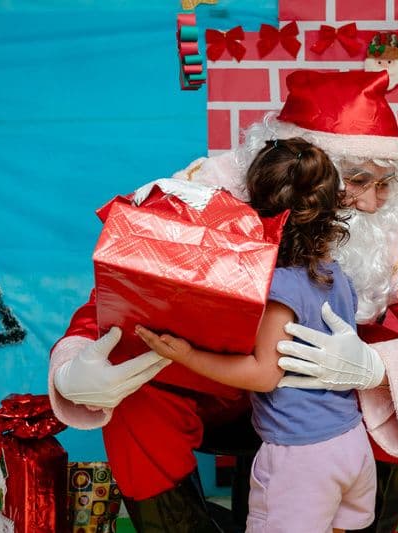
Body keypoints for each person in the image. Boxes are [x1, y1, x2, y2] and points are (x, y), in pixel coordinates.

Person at [48, 69, 398, 533]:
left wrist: (375, 367)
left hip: (319, 410)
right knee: (134, 391)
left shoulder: (391, 232)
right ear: (309, 169)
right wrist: (73, 368)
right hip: (212, 389)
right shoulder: (203, 194)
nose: (375, 204)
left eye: (385, 184)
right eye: (359, 181)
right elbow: (121, 295)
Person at [135, 137, 375, 532]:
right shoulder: (337, 277)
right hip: (351, 442)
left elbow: (265, 374)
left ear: (256, 209)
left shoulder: (280, 289)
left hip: (301, 458)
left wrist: (187, 355)